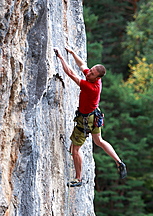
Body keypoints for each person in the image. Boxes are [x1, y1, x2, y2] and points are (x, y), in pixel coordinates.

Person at [54, 47, 127, 187]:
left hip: (86, 120)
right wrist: (73, 53)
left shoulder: (91, 87)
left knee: (75, 150)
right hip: (95, 115)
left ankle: (78, 179)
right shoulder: (93, 78)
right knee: (99, 140)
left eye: (92, 73)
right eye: (91, 71)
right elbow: (82, 65)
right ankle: (119, 161)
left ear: (97, 78)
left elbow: (70, 73)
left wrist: (61, 58)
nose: (88, 74)